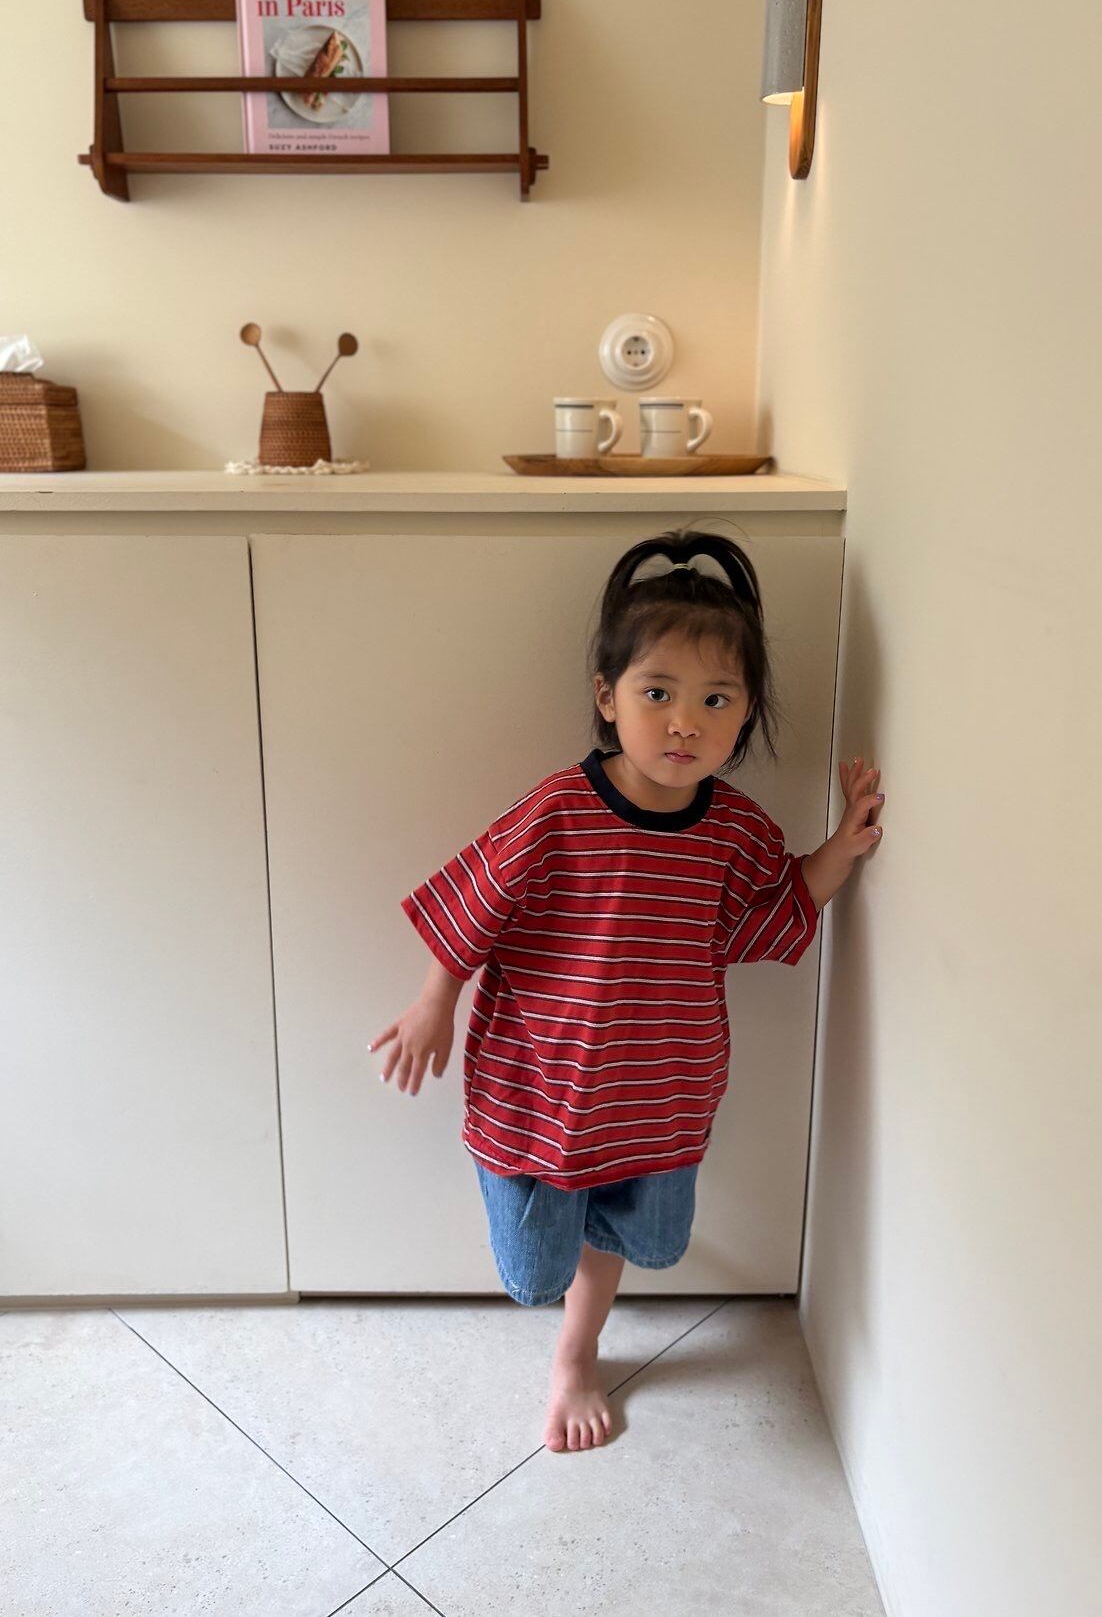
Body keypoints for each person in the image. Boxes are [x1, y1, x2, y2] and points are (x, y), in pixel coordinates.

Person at [366, 526, 885, 1454]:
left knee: (622, 1230)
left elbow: (771, 910)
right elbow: (478, 897)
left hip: (659, 1092)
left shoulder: (735, 831)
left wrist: (841, 848)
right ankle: (561, 1304)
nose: (685, 722)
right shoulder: (557, 812)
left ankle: (578, 1354)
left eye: (716, 699)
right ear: (608, 697)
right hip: (543, 1086)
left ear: (745, 713)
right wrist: (434, 998)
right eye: (658, 693)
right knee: (534, 1265)